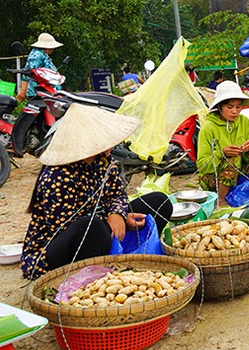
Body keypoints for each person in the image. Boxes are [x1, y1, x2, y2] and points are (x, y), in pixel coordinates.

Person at [21, 104, 173, 280]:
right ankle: (96, 276)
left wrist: (118, 215)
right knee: (93, 228)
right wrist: (111, 223)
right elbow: (66, 228)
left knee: (158, 201)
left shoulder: (103, 160)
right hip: (59, 249)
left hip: (103, 228)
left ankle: (133, 256)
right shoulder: (57, 175)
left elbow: (117, 194)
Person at [197, 81, 249, 204]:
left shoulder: (244, 122)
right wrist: (221, 153)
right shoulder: (208, 127)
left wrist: (248, 150)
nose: (235, 112)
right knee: (232, 160)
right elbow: (202, 165)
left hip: (238, 171)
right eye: (229, 107)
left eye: (238, 107)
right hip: (213, 176)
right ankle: (221, 200)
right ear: (220, 107)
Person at [17, 33, 63, 102]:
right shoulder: (37, 55)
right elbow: (28, 72)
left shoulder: (43, 54)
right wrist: (23, 91)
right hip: (38, 91)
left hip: (47, 90)